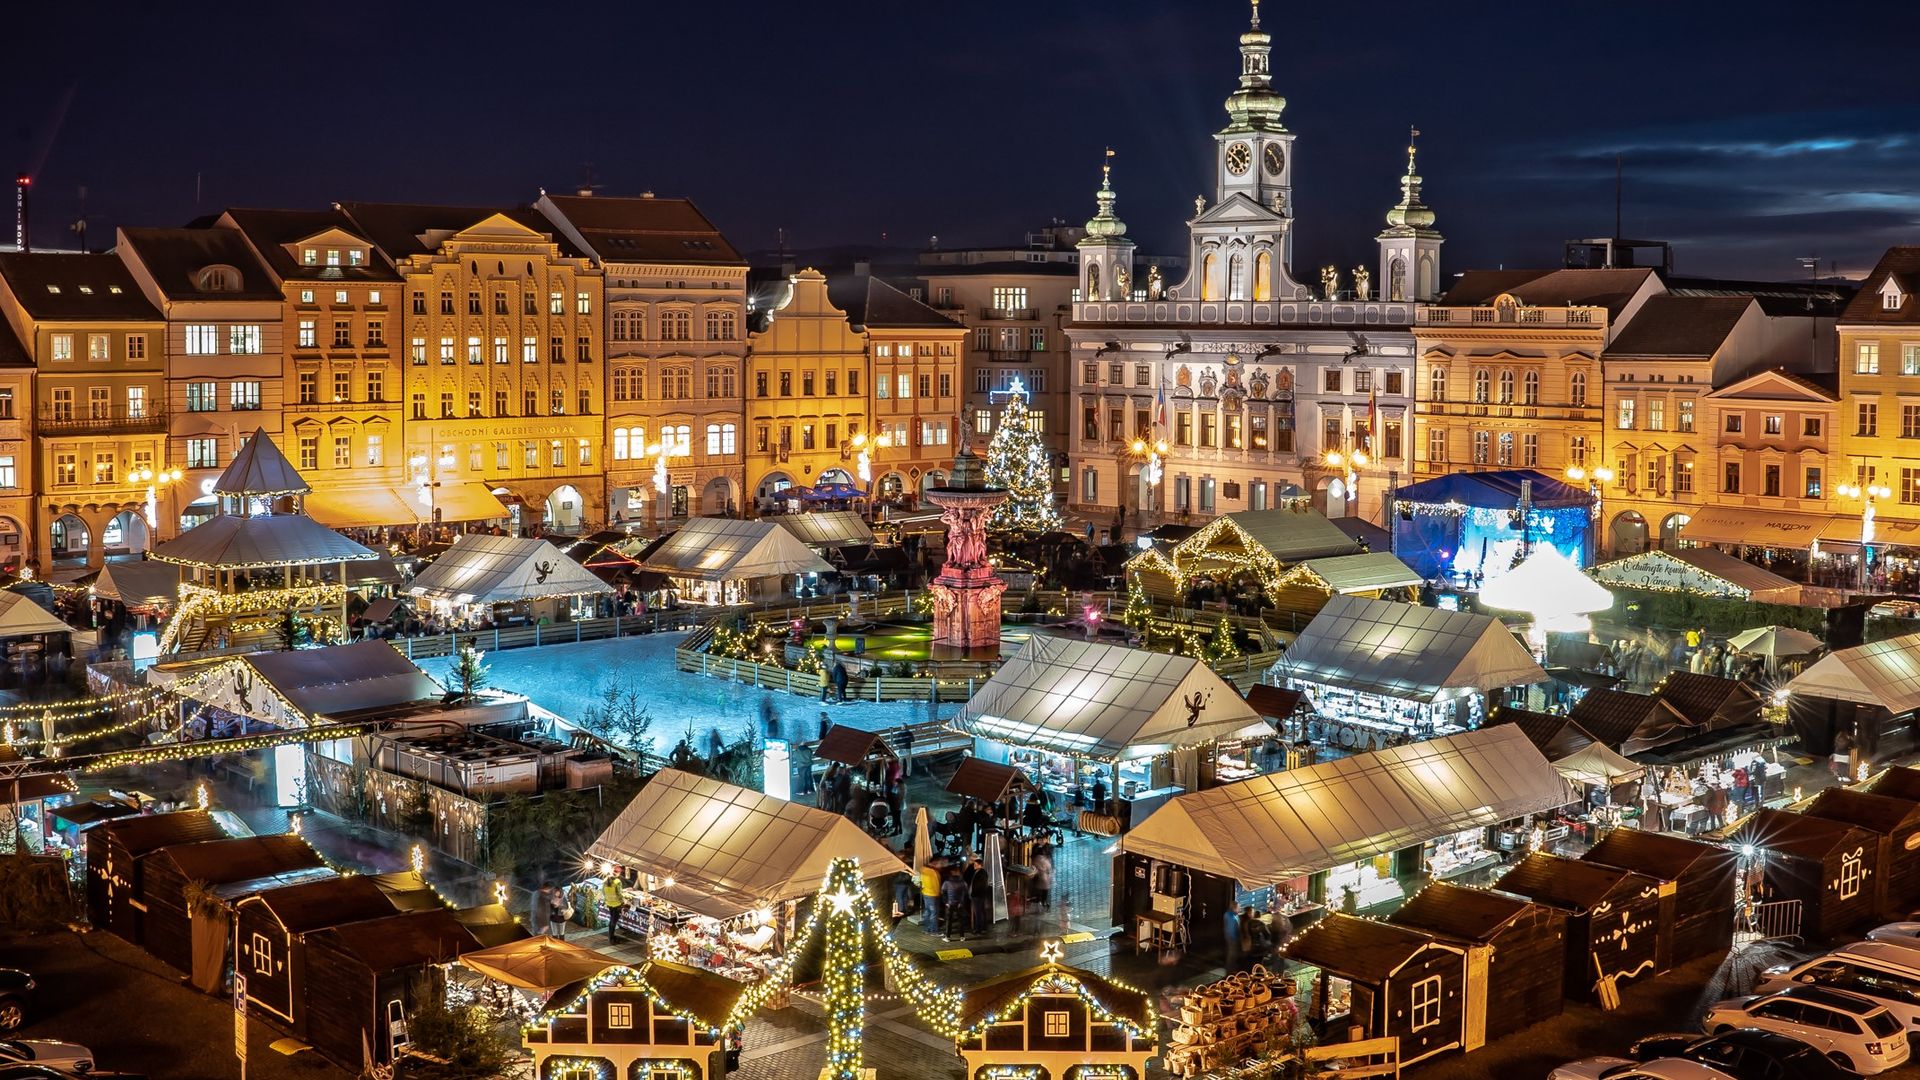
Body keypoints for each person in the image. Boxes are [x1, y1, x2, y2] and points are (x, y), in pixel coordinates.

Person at [941, 868, 969, 940]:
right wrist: (961, 902)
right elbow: (965, 893)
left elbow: (943, 892)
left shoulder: (947, 882)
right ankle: (962, 936)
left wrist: (946, 902)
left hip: (950, 903)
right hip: (960, 904)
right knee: (960, 920)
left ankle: (947, 937)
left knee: (949, 920)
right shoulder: (963, 882)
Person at [920, 858, 942, 933]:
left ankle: (927, 928)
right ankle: (934, 930)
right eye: (939, 863)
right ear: (934, 863)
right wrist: (939, 893)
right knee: (934, 913)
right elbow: (936, 884)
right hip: (933, 895)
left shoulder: (923, 869)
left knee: (927, 911)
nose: (940, 865)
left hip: (926, 893)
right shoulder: (933, 872)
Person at [603, 874, 627, 945]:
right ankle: (611, 938)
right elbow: (619, 894)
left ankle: (611, 936)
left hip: (609, 903)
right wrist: (623, 902)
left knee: (612, 920)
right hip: (616, 904)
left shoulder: (605, 881)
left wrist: (607, 900)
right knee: (613, 921)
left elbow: (603, 892)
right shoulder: (617, 882)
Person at [1032, 845, 1054, 911]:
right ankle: (1043, 904)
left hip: (1038, 879)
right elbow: (1049, 868)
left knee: (1039, 893)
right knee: (1044, 893)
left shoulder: (1036, 859)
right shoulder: (1045, 859)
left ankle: (1040, 904)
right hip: (1045, 880)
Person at [1223, 904, 1242, 972]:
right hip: (1233, 938)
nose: (1240, 909)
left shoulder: (1227, 914)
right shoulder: (1233, 918)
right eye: (1238, 907)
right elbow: (1232, 930)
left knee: (1231, 953)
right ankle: (1230, 970)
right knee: (1232, 954)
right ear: (1234, 908)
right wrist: (1236, 939)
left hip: (1228, 937)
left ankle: (1230, 968)